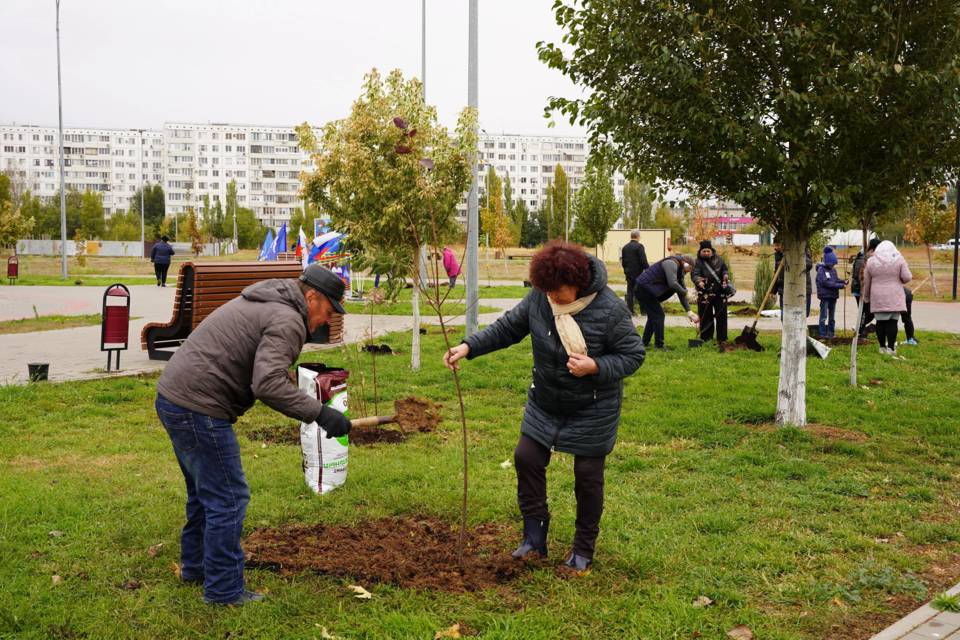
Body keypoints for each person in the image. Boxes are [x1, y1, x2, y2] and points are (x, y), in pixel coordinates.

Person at [155, 264, 351, 605]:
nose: (326, 320)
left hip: (174, 396)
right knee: (228, 499)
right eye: (328, 311)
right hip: (199, 407)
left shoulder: (270, 301)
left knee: (205, 494)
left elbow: (264, 371)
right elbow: (266, 384)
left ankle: (197, 567)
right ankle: (224, 591)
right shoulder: (289, 319)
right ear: (311, 297)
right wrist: (319, 414)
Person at [443, 241, 644, 571]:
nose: (551, 298)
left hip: (593, 406)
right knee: (526, 458)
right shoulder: (541, 297)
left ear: (576, 283)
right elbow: (509, 327)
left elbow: (633, 355)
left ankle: (582, 549)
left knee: (587, 476)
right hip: (546, 401)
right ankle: (534, 539)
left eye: (557, 291)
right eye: (546, 291)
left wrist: (596, 366)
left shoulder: (609, 309)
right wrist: (468, 346)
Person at [634, 254, 699, 350]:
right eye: (689, 269)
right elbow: (672, 283)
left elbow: (680, 290)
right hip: (644, 289)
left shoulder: (680, 271)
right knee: (659, 316)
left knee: (654, 317)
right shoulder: (671, 263)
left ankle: (644, 342)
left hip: (648, 290)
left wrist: (689, 311)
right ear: (685, 263)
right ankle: (659, 345)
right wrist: (686, 293)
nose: (688, 272)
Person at [863, 240, 912, 357]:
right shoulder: (899, 259)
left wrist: (866, 297)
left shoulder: (871, 261)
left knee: (880, 322)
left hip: (877, 295)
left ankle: (881, 347)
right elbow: (907, 277)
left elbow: (866, 282)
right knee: (892, 322)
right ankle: (891, 347)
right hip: (894, 295)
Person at [691, 240, 731, 343]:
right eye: (704, 251)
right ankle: (706, 338)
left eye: (708, 251)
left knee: (721, 316)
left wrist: (725, 276)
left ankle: (722, 339)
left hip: (719, 292)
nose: (706, 253)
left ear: (711, 250)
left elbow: (724, 270)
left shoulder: (719, 260)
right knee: (705, 317)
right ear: (700, 251)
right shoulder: (697, 262)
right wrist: (698, 281)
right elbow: (694, 275)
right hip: (704, 293)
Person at [815, 247, 848, 339]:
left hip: (833, 296)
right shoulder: (821, 270)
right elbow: (826, 283)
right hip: (825, 296)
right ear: (827, 262)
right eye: (832, 263)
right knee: (823, 316)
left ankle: (831, 333)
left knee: (832, 317)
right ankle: (822, 334)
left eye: (834, 264)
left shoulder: (833, 270)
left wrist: (843, 282)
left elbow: (835, 280)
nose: (833, 265)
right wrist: (839, 286)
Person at [774, 240, 813, 318]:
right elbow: (776, 273)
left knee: (803, 314)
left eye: (778, 245)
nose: (775, 248)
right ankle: (787, 329)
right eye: (774, 245)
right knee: (784, 316)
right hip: (784, 289)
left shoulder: (803, 250)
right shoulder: (778, 255)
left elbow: (808, 265)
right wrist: (773, 290)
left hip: (802, 289)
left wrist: (793, 258)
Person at [855, 238, 881, 337]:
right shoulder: (864, 258)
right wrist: (864, 290)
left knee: (867, 312)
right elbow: (860, 277)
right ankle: (860, 331)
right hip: (860, 290)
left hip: (865, 290)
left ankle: (861, 329)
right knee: (866, 313)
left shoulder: (866, 257)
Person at [620, 231, 649, 315]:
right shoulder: (639, 247)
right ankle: (643, 311)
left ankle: (630, 311)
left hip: (629, 273)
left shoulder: (625, 247)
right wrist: (648, 269)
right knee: (641, 292)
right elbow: (643, 260)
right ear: (638, 237)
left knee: (630, 292)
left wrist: (626, 270)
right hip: (638, 274)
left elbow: (623, 262)